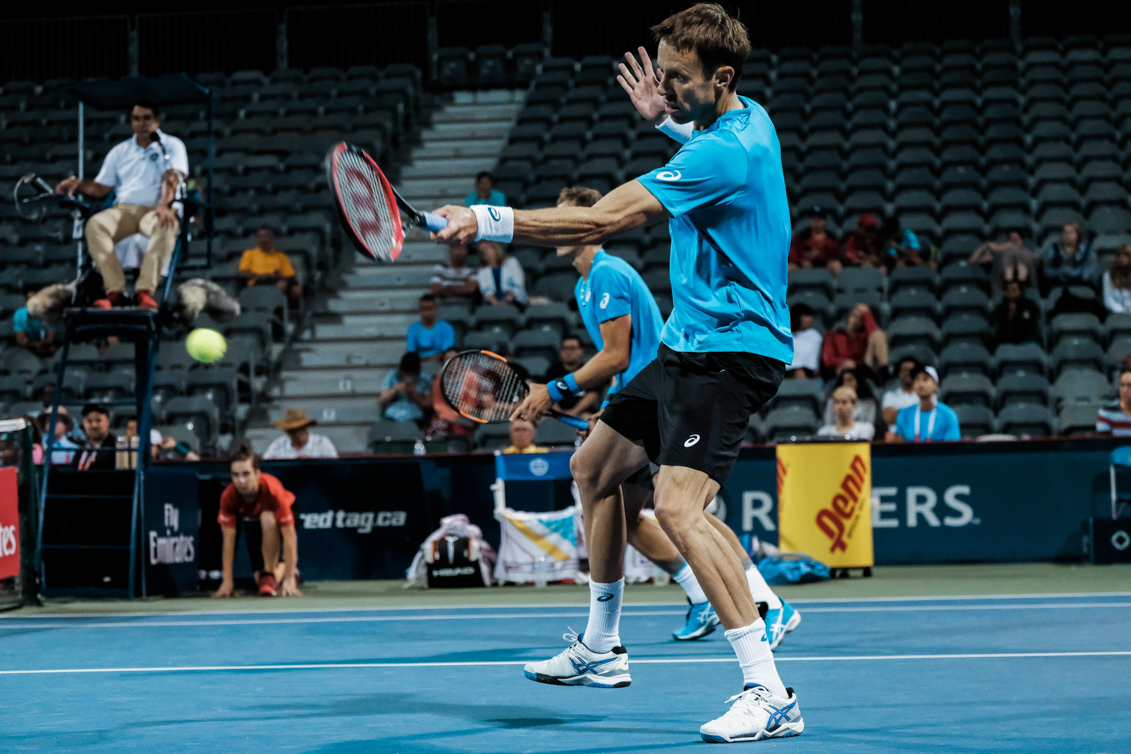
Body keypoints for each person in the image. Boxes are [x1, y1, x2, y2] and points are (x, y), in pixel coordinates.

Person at [432, 6, 804, 740]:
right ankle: (601, 648)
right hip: (685, 344)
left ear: (720, 77)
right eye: (660, 73)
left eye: (676, 78)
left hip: (733, 352)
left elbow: (596, 220)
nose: (663, 87)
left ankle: (769, 693)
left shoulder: (720, 156)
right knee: (594, 468)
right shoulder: (744, 120)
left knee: (677, 507)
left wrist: (486, 217)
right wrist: (665, 121)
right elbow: (697, 143)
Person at [518, 185, 798, 646]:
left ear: (591, 225)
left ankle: (760, 602)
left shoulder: (606, 273)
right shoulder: (586, 282)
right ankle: (708, 600)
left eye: (565, 217)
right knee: (626, 508)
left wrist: (555, 390)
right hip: (640, 395)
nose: (557, 226)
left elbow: (615, 355)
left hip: (669, 393)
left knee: (675, 509)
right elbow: (618, 364)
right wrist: (610, 409)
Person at [55, 99, 187, 311]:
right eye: (136, 118)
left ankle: (144, 292)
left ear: (158, 120)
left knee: (166, 223)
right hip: (124, 210)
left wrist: (164, 205)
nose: (141, 123)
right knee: (95, 224)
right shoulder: (120, 151)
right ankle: (116, 291)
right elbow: (100, 188)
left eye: (146, 118)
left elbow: (172, 176)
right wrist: (78, 184)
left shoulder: (171, 145)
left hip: (155, 210)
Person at [213, 444, 302, 598]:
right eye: (235, 475)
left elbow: (290, 536)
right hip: (253, 521)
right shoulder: (228, 496)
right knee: (259, 580)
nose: (241, 481)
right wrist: (227, 582)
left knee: (267, 516)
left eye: (246, 474)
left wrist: (288, 581)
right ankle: (285, 573)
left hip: (283, 513)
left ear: (257, 474)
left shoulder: (272, 489)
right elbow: (228, 542)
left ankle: (275, 574)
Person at [820, 303, 889, 380]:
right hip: (843, 368)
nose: (856, 320)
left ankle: (885, 374)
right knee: (849, 366)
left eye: (861, 318)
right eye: (854, 316)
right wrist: (843, 361)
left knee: (878, 335)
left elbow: (874, 331)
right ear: (848, 316)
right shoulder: (833, 334)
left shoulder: (865, 335)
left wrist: (866, 313)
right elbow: (828, 359)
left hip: (864, 366)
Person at [893, 365, 960, 442]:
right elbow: (898, 448)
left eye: (925, 379)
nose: (920, 384)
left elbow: (952, 448)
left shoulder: (948, 415)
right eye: (916, 380)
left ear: (936, 384)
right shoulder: (904, 414)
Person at [238, 226, 302, 305]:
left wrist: (280, 275)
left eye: (266, 236)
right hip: (258, 282)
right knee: (281, 285)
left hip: (276, 280)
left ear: (272, 238)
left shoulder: (281, 256)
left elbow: (290, 275)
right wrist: (260, 275)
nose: (264, 239)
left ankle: (283, 310)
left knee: (295, 289)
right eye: (261, 236)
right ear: (256, 238)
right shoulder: (249, 254)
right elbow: (242, 272)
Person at [543, 334, 603, 415]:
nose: (568, 352)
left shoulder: (589, 370)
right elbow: (547, 393)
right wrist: (559, 412)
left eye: (572, 348)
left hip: (583, 412)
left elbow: (593, 395)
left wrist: (574, 412)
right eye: (565, 348)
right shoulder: (553, 371)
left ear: (581, 351)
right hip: (556, 413)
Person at [426, 348, 477, 439]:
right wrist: (448, 416)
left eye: (455, 358)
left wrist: (454, 416)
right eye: (448, 358)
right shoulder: (440, 376)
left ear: (461, 361)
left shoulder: (471, 377)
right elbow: (438, 403)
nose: (452, 361)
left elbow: (470, 405)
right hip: (444, 417)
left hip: (464, 418)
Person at [969, 230, 1037, 295]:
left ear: (1022, 241)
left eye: (1016, 240)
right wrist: (988, 244)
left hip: (1025, 292)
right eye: (1011, 241)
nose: (1014, 244)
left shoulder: (1027, 254)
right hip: (1002, 291)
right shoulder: (999, 256)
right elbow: (973, 260)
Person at [1042, 221, 1099, 291]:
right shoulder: (1052, 251)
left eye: (1071, 232)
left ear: (1077, 234)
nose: (1067, 235)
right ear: (1060, 235)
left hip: (1083, 285)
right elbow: (1047, 271)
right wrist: (1060, 273)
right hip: (1060, 286)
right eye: (1065, 232)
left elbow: (1093, 269)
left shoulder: (1088, 250)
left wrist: (1079, 275)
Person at [263, 408, 338, 460]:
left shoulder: (322, 443)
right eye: (290, 431)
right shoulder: (278, 445)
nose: (294, 434)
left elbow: (334, 467)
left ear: (305, 428)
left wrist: (312, 462)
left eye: (297, 430)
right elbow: (265, 465)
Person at [379, 352, 433, 423]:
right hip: (393, 417)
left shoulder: (425, 379)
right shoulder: (392, 376)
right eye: (406, 373)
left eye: (411, 374)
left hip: (415, 419)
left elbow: (428, 405)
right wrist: (395, 389)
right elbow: (381, 400)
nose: (408, 377)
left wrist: (414, 393)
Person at [787, 205, 841, 274]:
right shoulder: (800, 238)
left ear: (825, 221)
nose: (816, 221)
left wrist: (818, 256)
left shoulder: (832, 240)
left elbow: (835, 256)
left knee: (836, 265)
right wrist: (802, 261)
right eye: (813, 219)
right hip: (802, 267)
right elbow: (792, 254)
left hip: (825, 268)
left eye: (819, 219)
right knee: (789, 267)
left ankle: (834, 284)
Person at [475, 241, 528, 308]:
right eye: (481, 251)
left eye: (486, 249)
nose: (484, 253)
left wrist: (507, 300)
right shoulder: (482, 271)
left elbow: (517, 285)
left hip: (516, 302)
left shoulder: (511, 263)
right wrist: (497, 304)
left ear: (495, 249)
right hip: (493, 306)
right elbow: (486, 292)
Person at [405, 294, 455, 363]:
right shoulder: (413, 328)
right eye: (424, 309)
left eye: (430, 308)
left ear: (436, 308)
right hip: (419, 365)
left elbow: (447, 350)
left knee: (451, 354)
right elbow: (411, 351)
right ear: (419, 309)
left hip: (440, 363)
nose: (427, 313)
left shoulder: (446, 327)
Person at [990, 280, 1041, 346]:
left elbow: (1032, 321)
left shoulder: (1029, 306)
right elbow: (994, 321)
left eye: (1014, 289)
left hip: (1027, 338)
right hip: (1005, 341)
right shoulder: (1001, 308)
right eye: (1009, 290)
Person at [13, 284, 57, 357]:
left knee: (53, 349)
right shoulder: (19, 314)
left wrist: (43, 343)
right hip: (30, 348)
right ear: (26, 300)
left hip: (46, 346)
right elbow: (21, 340)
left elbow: (51, 338)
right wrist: (33, 344)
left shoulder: (49, 313)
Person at [70, 404, 117, 470]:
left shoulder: (116, 448)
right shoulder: (80, 450)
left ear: (108, 421)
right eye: (89, 421)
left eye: (98, 420)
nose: (94, 425)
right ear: (83, 423)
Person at [881, 357, 922, 426]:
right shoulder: (890, 396)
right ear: (899, 374)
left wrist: (898, 412)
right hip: (896, 434)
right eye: (904, 370)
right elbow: (888, 418)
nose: (908, 373)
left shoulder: (924, 395)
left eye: (911, 370)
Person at [786, 303, 822, 378]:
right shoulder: (785, 335)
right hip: (785, 372)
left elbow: (814, 361)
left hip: (808, 373)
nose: (810, 319)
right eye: (806, 316)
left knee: (799, 373)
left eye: (810, 316)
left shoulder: (814, 335)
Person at [1097, 369, 1131, 436]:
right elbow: (1104, 443)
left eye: (1130, 385)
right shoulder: (1106, 412)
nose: (1125, 390)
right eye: (1122, 385)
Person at [1103, 244, 1131, 314]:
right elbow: (1108, 300)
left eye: (1126, 256)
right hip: (1116, 314)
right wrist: (1121, 312)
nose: (1122, 258)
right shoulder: (1108, 276)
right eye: (1119, 256)